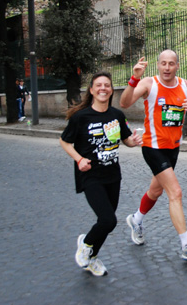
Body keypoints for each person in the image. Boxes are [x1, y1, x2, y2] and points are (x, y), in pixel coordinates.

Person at [120, 51, 187, 261]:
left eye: (171, 64)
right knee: (175, 192)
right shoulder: (149, 84)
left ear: (177, 66)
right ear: (158, 65)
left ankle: (136, 219)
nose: (167, 68)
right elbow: (124, 103)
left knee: (155, 190)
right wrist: (134, 79)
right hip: (153, 147)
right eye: (163, 64)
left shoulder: (186, 86)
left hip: (173, 147)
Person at [60, 71, 143, 277]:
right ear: (91, 90)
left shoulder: (117, 115)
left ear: (111, 90)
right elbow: (64, 141)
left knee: (105, 222)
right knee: (108, 220)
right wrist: (79, 159)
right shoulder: (81, 117)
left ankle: (92, 257)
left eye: (107, 85)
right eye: (98, 85)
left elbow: (126, 140)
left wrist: (134, 142)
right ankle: (86, 244)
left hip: (113, 175)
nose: (103, 88)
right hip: (91, 176)